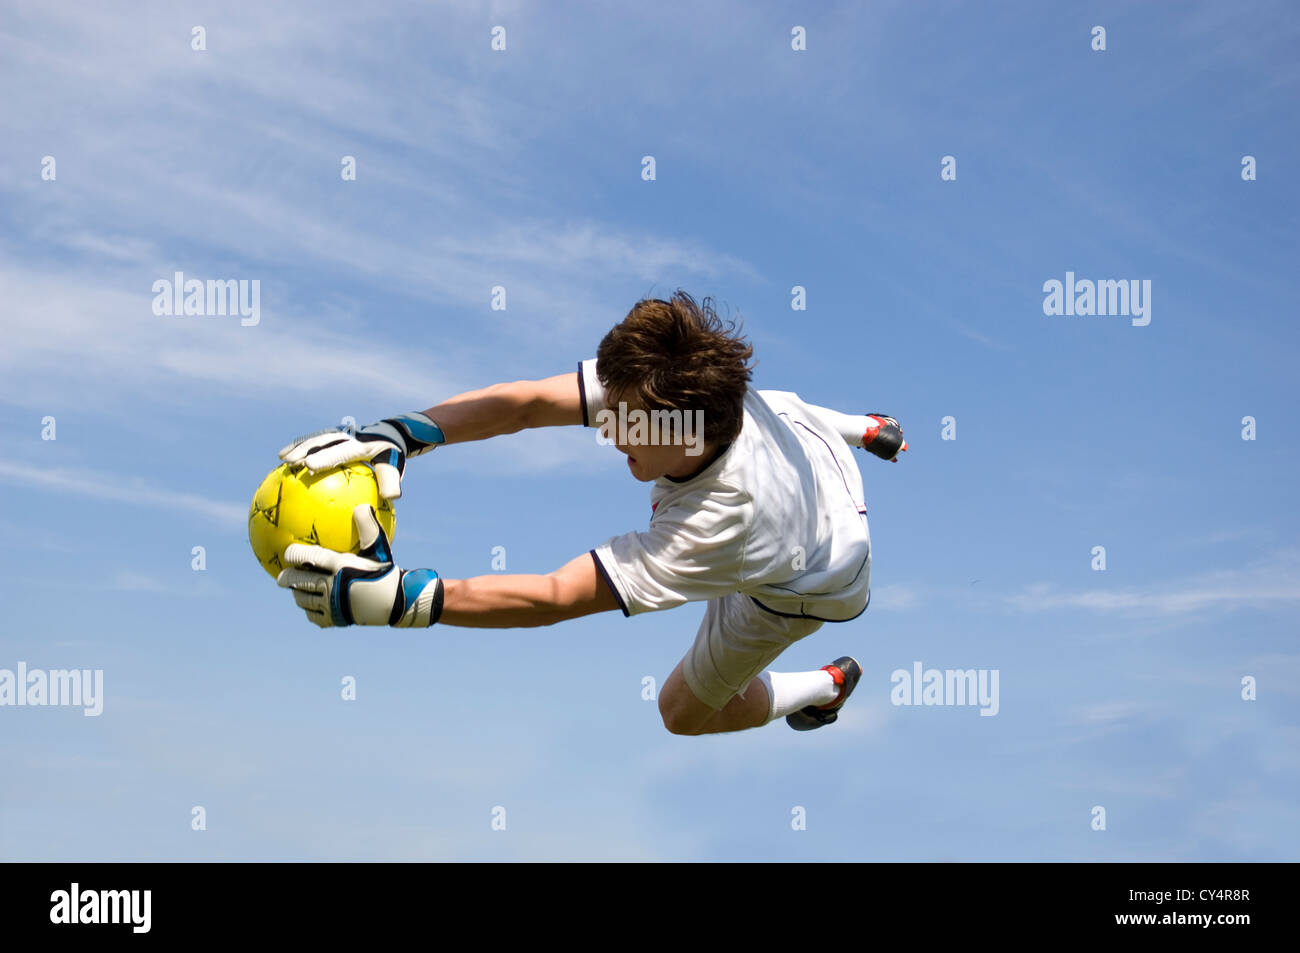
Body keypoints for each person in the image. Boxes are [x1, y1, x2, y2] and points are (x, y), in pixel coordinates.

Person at [276, 291, 906, 735]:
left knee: (682, 714)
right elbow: (524, 404)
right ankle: (868, 427)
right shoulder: (671, 388)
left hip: (809, 584)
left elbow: (556, 596)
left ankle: (826, 688)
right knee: (794, 410)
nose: (611, 432)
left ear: (684, 430)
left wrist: (405, 601)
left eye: (628, 426)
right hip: (813, 444)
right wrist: (404, 431)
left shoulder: (716, 528)